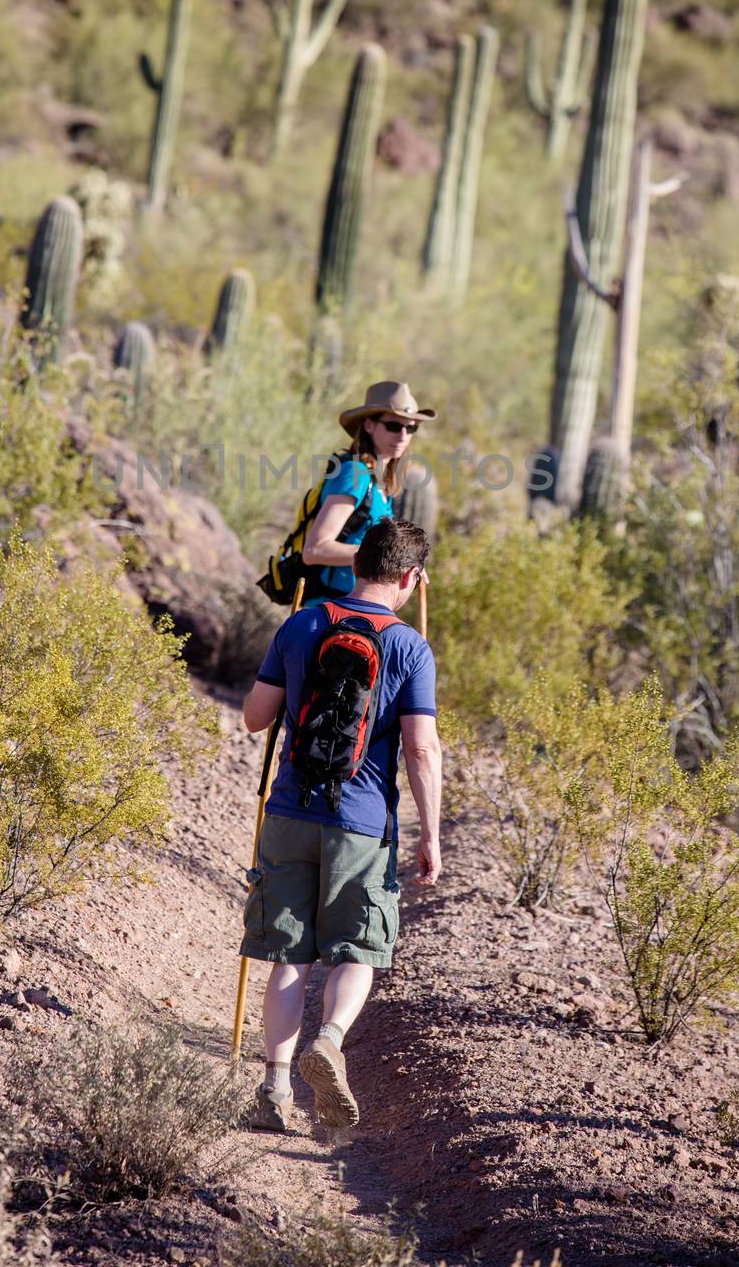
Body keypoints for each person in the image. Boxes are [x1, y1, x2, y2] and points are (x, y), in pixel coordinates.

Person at [239, 517, 442, 1132]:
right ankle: (328, 1039)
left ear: (355, 566)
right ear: (409, 577)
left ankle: (274, 1087)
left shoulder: (302, 623)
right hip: (361, 822)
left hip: (288, 813)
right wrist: (430, 835)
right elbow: (422, 748)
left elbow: (254, 717)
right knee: (357, 949)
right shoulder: (409, 645)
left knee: (288, 955)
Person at [299, 379, 436, 607]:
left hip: (357, 611)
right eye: (393, 426)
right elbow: (315, 549)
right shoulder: (354, 474)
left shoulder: (381, 484)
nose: (403, 434)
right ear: (369, 425)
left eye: (410, 427)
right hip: (331, 612)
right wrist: (390, 558)